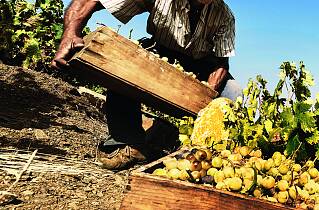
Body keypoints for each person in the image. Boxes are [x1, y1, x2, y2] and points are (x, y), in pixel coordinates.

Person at [51, 0, 240, 170]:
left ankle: (214, 154)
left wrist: (207, 92)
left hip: (201, 65)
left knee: (233, 94)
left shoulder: (224, 15)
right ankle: (128, 141)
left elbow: (221, 62)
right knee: (125, 63)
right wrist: (70, 33)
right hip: (161, 53)